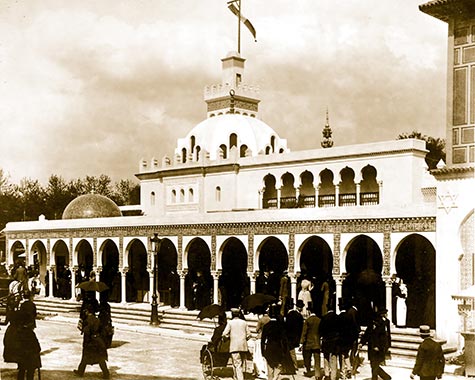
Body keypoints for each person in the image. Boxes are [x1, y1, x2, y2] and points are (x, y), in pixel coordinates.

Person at [74, 304, 110, 379]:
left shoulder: (87, 321)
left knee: (85, 358)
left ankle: (80, 372)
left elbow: (87, 333)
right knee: (101, 359)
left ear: (87, 311)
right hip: (99, 341)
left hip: (91, 342)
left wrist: (85, 343)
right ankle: (106, 374)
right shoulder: (97, 320)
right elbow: (102, 331)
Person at [3, 309, 41, 380]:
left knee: (22, 370)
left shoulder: (14, 330)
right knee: (30, 371)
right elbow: (36, 346)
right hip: (29, 356)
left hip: (21, 356)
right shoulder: (28, 332)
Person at [261, 304, 294, 380]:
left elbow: (263, 340)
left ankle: (271, 378)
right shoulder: (280, 326)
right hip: (278, 348)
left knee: (270, 367)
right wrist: (285, 350)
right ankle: (275, 378)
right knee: (278, 366)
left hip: (269, 348)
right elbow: (284, 339)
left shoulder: (266, 326)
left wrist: (263, 351)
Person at [359, 308, 391, 380]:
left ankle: (378, 378)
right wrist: (362, 343)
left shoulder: (386, 322)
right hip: (372, 347)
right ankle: (386, 377)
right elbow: (367, 334)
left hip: (380, 347)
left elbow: (387, 336)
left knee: (375, 365)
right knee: (373, 365)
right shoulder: (373, 323)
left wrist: (387, 345)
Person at [222, 308, 251, 380]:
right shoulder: (244, 322)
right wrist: (244, 339)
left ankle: (240, 378)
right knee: (240, 363)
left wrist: (228, 337)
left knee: (237, 364)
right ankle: (236, 377)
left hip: (234, 346)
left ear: (232, 314)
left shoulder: (230, 323)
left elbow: (224, 334)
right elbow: (249, 335)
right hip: (243, 346)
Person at [300, 303, 322, 379]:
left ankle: (308, 370)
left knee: (307, 358)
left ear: (309, 311)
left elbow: (304, 332)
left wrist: (301, 342)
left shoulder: (307, 321)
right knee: (317, 359)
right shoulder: (319, 320)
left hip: (308, 343)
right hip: (316, 342)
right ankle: (317, 374)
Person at [319, 305, 339, 380]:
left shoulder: (324, 318)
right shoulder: (337, 318)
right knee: (334, 358)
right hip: (335, 341)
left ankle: (327, 373)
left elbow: (320, 330)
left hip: (326, 340)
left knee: (326, 357)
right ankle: (333, 375)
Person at [286, 300, 304, 372]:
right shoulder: (299, 316)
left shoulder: (289, 315)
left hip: (289, 335)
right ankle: (294, 365)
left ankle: (293, 364)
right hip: (296, 336)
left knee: (291, 350)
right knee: (292, 350)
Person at [254, 307, 271, 379]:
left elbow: (257, 329)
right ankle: (266, 370)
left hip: (260, 337)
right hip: (268, 338)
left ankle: (260, 370)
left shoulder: (261, 320)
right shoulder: (270, 319)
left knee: (258, 355)